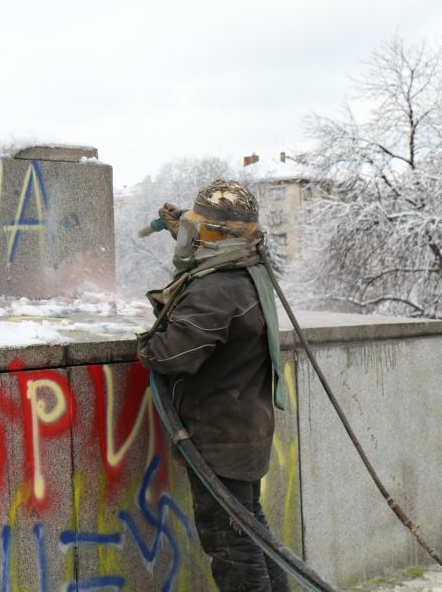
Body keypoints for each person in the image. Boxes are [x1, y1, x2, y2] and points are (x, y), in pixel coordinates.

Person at [137, 180, 290, 592]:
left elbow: (168, 355)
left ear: (208, 236)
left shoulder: (216, 289)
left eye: (194, 229)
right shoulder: (248, 273)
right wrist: (188, 231)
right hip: (244, 429)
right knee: (253, 533)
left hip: (220, 438)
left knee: (232, 548)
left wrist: (147, 339)